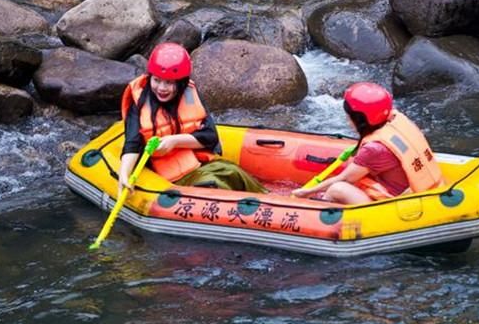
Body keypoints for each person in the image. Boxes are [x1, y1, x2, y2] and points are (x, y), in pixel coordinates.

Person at [117, 42, 266, 197]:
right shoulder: (140, 103)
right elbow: (132, 144)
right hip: (163, 174)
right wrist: (124, 175)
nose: (161, 88)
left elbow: (210, 137)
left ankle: (269, 198)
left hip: (195, 163)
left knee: (233, 172)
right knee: (214, 182)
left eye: (169, 82)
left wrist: (174, 141)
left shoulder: (189, 95)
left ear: (180, 83)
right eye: (157, 80)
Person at [292, 82, 444, 205]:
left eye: (349, 116)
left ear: (360, 120)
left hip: (399, 202)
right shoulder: (396, 119)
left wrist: (306, 192)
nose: (347, 119)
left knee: (337, 189)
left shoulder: (374, 149)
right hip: (422, 189)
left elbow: (345, 179)